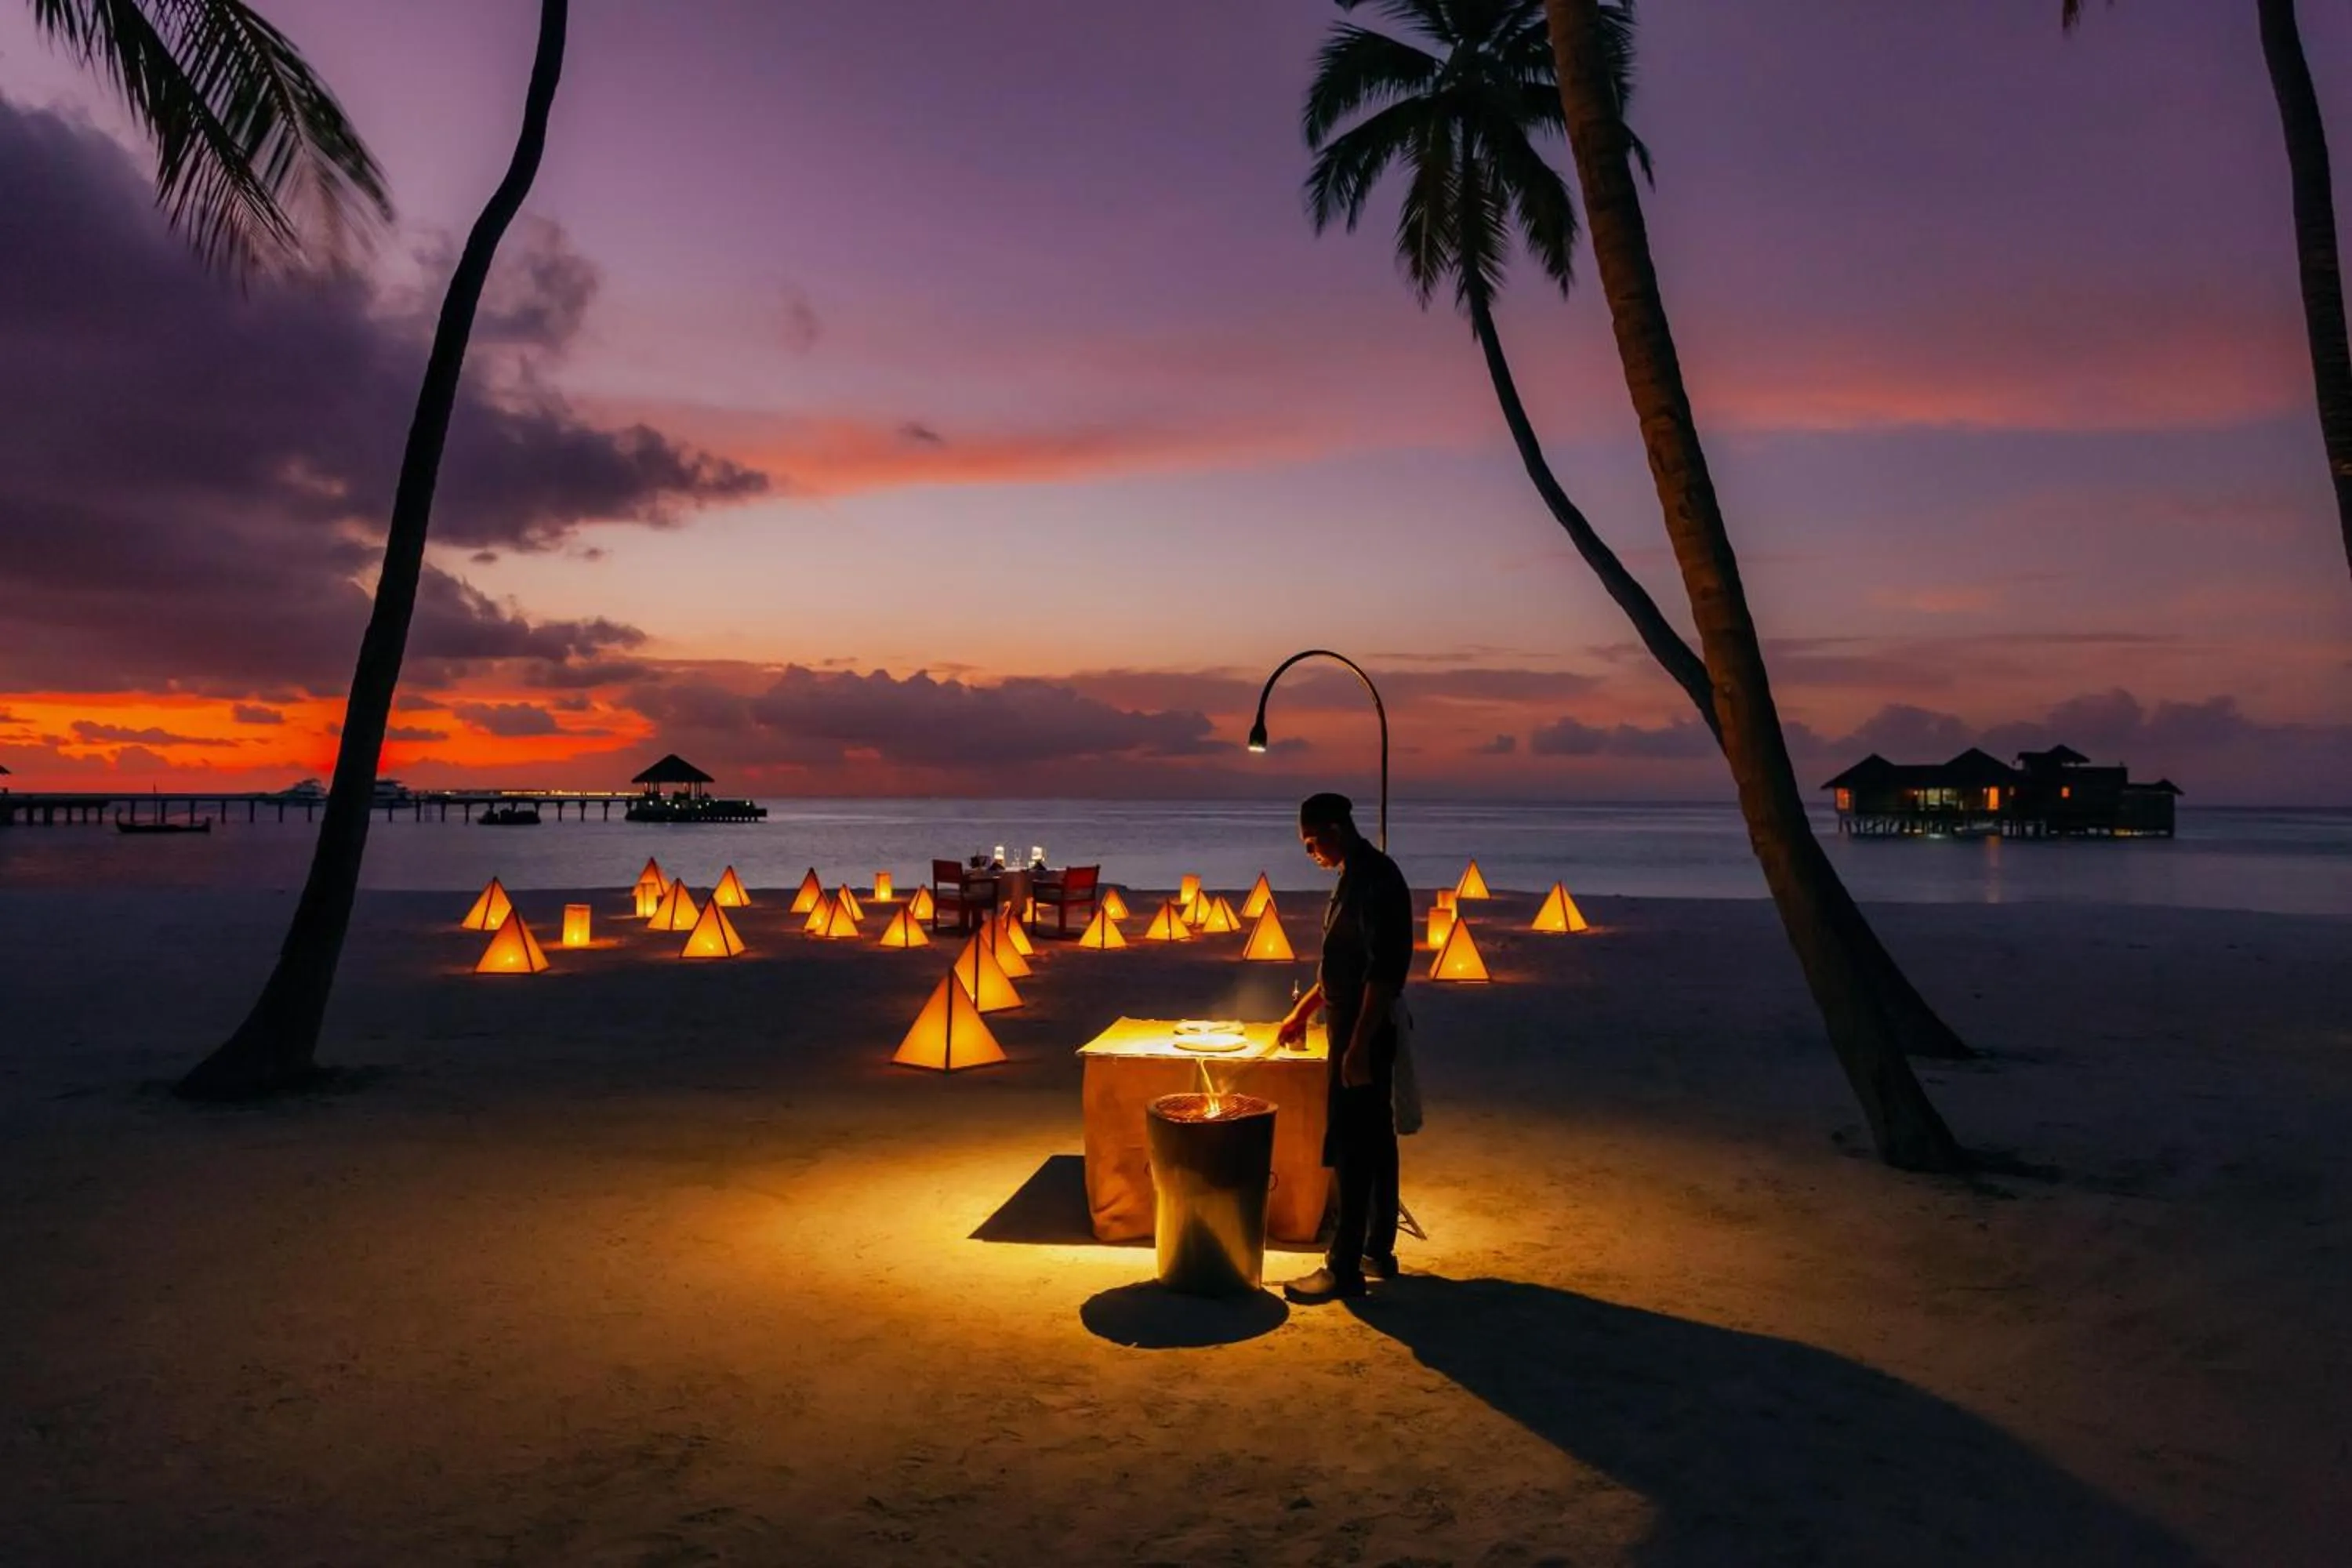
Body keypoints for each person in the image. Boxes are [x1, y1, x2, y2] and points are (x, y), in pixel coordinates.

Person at [1276, 790, 1413, 1303]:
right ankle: (1377, 1248)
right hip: (1347, 1027)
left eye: (1312, 844)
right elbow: (1338, 963)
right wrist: (1303, 1011)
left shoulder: (1375, 881)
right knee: (1375, 1139)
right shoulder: (1350, 880)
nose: (1311, 854)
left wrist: (1357, 1047)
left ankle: (1344, 1266)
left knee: (1355, 1146)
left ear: (1334, 830)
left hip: (1363, 1033)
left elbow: (1382, 973)